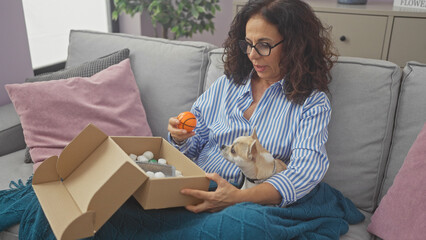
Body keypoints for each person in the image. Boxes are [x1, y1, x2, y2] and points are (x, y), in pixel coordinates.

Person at [168, 0, 336, 213]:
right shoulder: (227, 84)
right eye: (248, 43)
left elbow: (304, 171)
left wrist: (237, 198)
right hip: (198, 186)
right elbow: (194, 142)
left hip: (251, 203)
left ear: (295, 45)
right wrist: (179, 136)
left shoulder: (312, 103)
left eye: (264, 45)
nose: (252, 55)